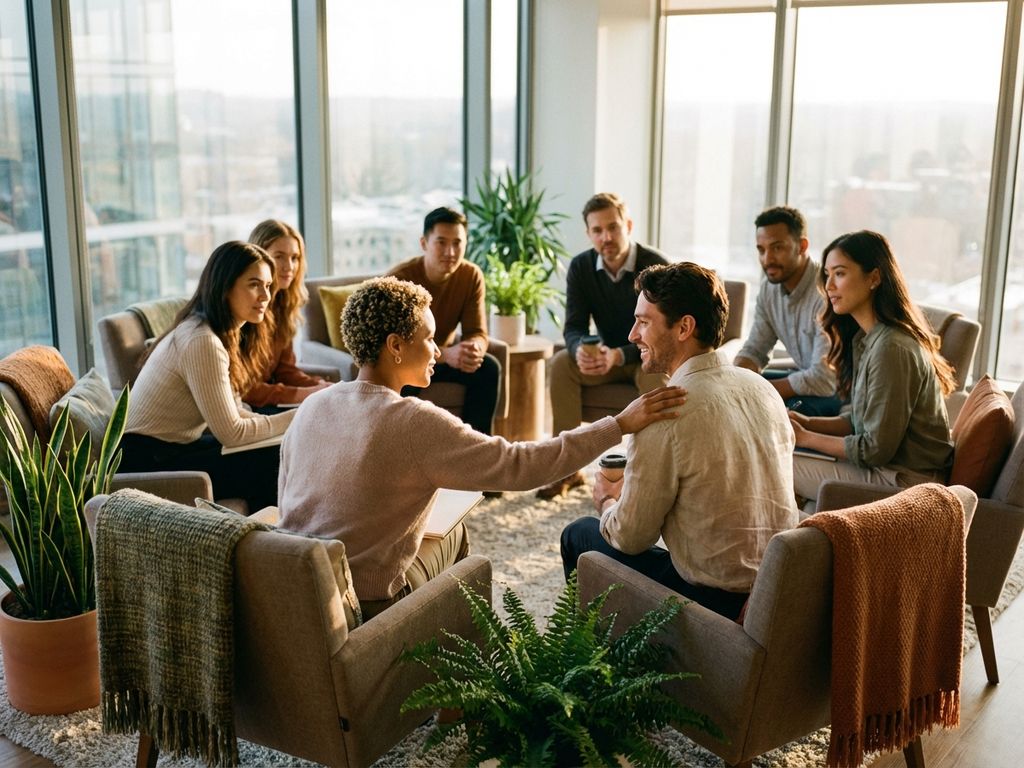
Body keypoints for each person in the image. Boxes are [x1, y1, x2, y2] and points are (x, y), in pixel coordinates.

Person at [277, 277, 685, 620]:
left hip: (295, 593)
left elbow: (289, 498)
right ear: (395, 346)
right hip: (365, 604)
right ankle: (458, 687)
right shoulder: (413, 421)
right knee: (457, 537)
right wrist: (618, 425)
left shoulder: (313, 404)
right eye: (430, 338)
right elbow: (520, 466)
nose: (438, 350)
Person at [560, 262, 798, 621]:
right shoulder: (763, 389)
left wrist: (609, 502)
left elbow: (632, 537)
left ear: (684, 327)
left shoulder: (665, 412)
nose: (631, 335)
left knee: (579, 534)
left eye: (643, 322)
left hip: (713, 605)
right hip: (777, 591)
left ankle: (601, 666)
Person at [119, 241, 295, 511]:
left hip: (171, 447)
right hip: (148, 459)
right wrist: (297, 417)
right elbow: (232, 434)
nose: (265, 296)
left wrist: (278, 423)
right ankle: (271, 543)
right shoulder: (202, 340)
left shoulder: (217, 332)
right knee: (272, 459)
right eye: (253, 284)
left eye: (268, 286)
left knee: (273, 445)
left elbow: (234, 412)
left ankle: (273, 534)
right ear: (225, 288)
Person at [790, 230, 955, 505]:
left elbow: (874, 448)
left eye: (839, 273)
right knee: (785, 458)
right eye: (827, 275)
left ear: (874, 278)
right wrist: (807, 423)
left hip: (907, 482)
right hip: (890, 470)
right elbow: (861, 422)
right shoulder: (868, 340)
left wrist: (806, 437)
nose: (829, 285)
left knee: (780, 464)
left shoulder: (891, 348)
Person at [537, 192, 669, 499]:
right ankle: (568, 471)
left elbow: (663, 334)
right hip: (605, 359)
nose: (606, 237)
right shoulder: (581, 268)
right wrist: (579, 350)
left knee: (656, 382)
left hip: (648, 358)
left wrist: (620, 356)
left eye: (613, 227)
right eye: (597, 230)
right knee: (560, 364)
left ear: (629, 225)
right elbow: (573, 327)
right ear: (589, 234)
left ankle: (647, 474)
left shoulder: (656, 265)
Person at [387, 206, 499, 436]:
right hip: (407, 361)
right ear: (424, 243)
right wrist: (445, 354)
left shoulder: (470, 276)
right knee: (403, 377)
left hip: (445, 360)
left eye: (457, 243)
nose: (450, 251)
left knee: (488, 368)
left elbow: (477, 331)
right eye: (441, 242)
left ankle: (477, 453)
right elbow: (395, 345)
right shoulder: (401, 279)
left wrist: (474, 349)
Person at [734, 206, 841, 417]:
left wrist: (756, 392)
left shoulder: (827, 291)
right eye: (761, 249)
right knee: (736, 393)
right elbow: (755, 349)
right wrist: (733, 378)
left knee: (780, 412)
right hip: (805, 378)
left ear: (802, 246)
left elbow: (824, 378)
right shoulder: (769, 288)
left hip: (838, 392)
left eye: (777, 248)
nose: (767, 259)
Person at [243, 219, 331, 409]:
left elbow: (285, 370)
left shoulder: (282, 306)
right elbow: (245, 388)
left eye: (295, 258)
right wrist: (303, 394)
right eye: (279, 256)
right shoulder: (246, 310)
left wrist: (319, 385)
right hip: (247, 407)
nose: (289, 266)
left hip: (269, 400)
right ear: (259, 259)